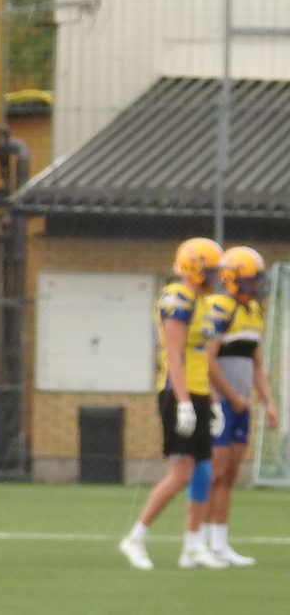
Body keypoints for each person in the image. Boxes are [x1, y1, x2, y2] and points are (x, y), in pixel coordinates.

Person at [119, 237, 228, 570]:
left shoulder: (203, 302)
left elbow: (200, 357)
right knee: (181, 474)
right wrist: (183, 402)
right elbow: (174, 354)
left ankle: (192, 546)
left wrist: (212, 400)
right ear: (194, 269)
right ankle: (135, 537)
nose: (216, 277)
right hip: (178, 392)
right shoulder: (176, 298)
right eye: (211, 270)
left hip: (198, 392)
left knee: (204, 471)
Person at [204, 245, 278, 565]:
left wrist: (269, 402)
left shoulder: (255, 311)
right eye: (250, 280)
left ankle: (220, 543)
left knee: (230, 475)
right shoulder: (220, 308)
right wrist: (229, 396)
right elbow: (208, 361)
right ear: (232, 279)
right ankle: (200, 541)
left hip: (241, 404)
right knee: (215, 473)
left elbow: (257, 364)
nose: (257, 286)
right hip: (220, 404)